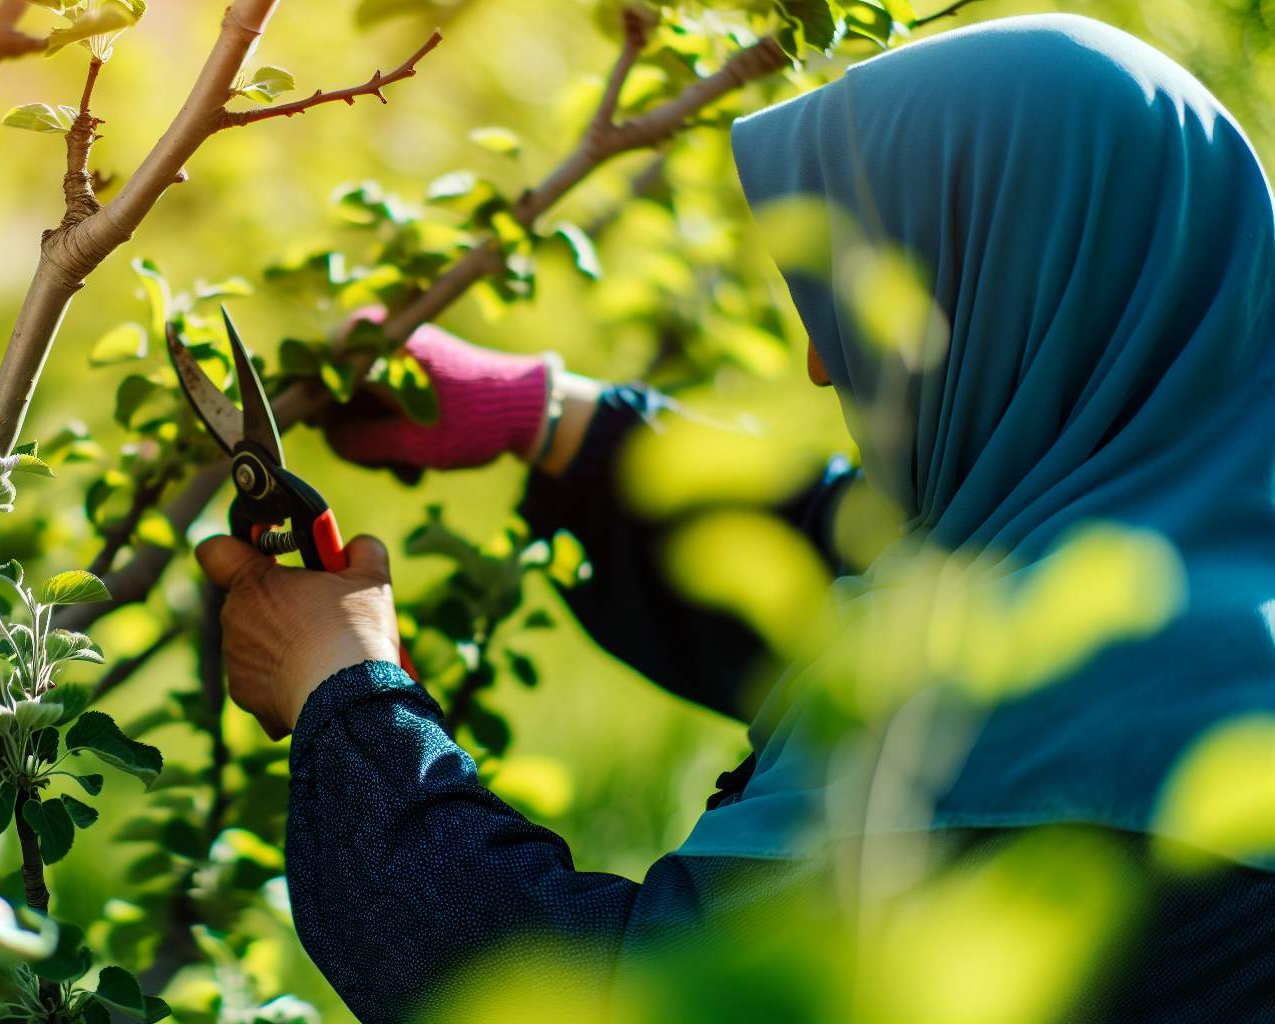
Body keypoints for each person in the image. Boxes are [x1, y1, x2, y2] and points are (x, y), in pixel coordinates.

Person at [194, 14, 1275, 1023]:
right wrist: (550, 418)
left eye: (858, 308)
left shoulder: (1038, 749)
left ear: (1032, 305)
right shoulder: (1183, 558)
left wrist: (345, 696)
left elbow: (619, 992)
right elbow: (843, 544)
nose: (815, 363)